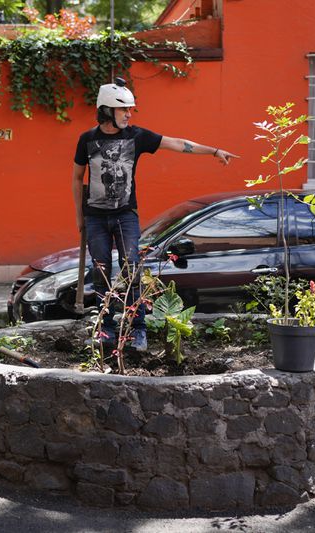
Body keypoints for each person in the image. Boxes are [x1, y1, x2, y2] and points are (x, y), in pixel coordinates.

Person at [72, 78, 238, 352]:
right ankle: (105, 330)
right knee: (100, 271)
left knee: (131, 269)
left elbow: (176, 143)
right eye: (123, 109)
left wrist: (214, 151)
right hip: (96, 218)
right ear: (106, 111)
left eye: (130, 109)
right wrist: (80, 217)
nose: (129, 114)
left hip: (126, 215)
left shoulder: (137, 136)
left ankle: (138, 330)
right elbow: (78, 178)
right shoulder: (87, 140)